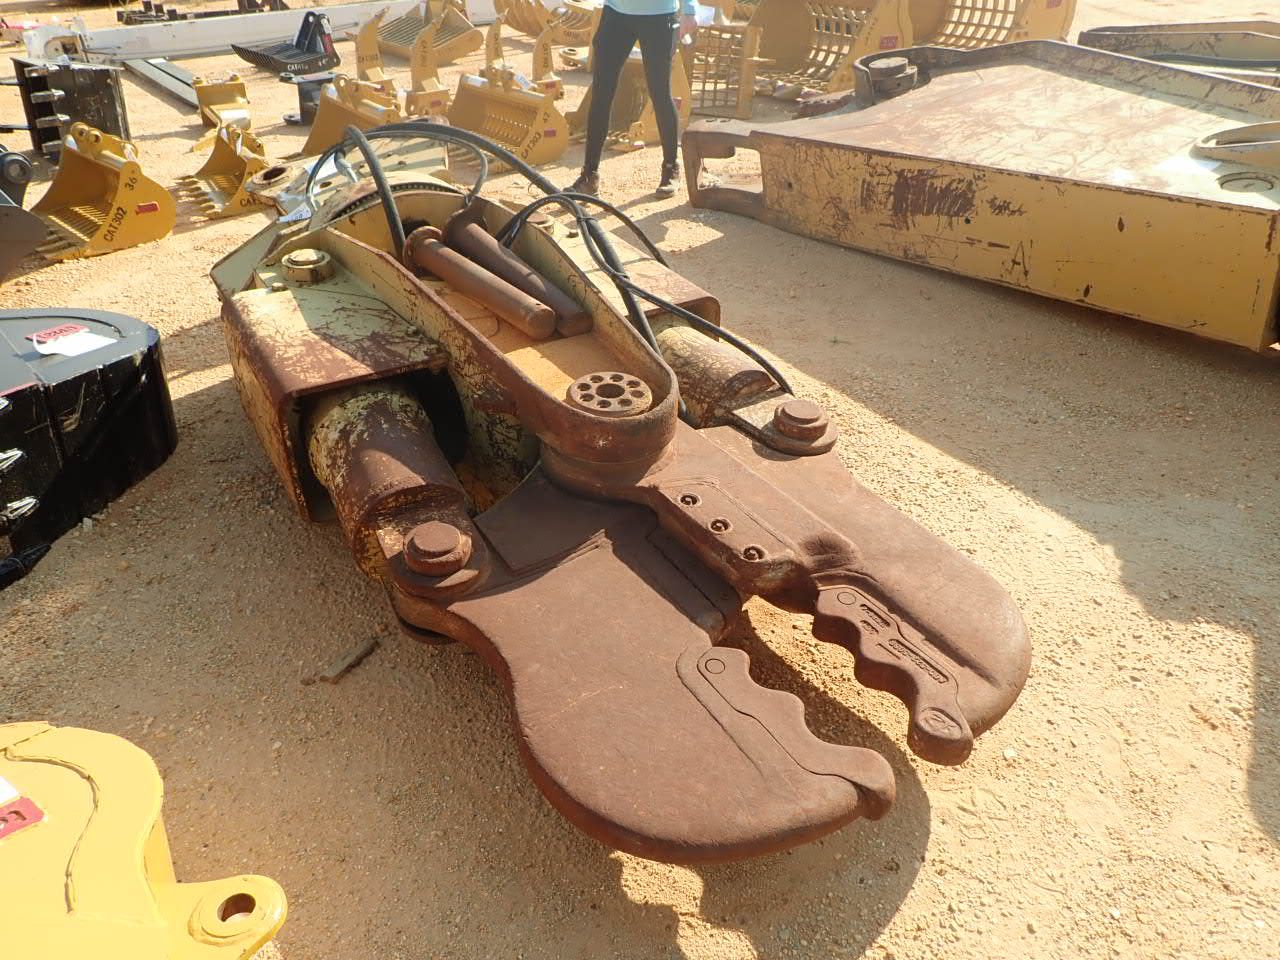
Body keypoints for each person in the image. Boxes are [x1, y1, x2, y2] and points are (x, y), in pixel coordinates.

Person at [568, 0, 698, 198]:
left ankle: (670, 168)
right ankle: (589, 177)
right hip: (617, 13)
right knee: (601, 93)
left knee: (660, 93)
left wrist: (689, 9)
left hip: (659, 15)